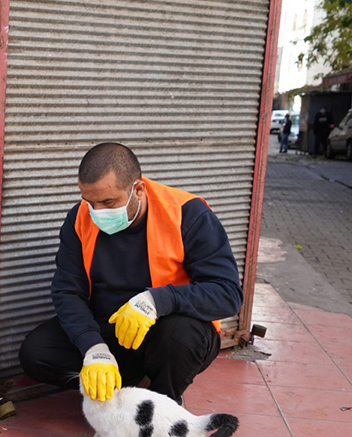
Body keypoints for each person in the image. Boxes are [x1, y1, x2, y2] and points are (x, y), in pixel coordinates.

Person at [18, 142, 243, 405]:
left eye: (108, 202)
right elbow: (67, 291)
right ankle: (127, 387)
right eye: (89, 201)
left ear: (138, 189)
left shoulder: (187, 213)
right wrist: (94, 348)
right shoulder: (80, 218)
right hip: (109, 328)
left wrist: (156, 301)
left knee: (179, 336)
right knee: (36, 352)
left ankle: (162, 406)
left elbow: (227, 294)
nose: (98, 212)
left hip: (164, 330)